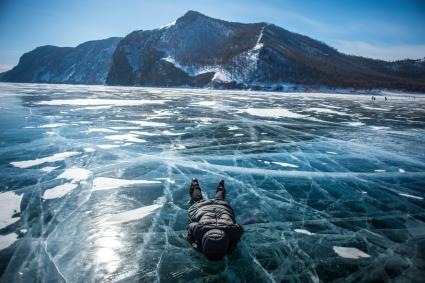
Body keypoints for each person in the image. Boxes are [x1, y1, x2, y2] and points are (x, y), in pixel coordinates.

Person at [187, 178, 244, 261]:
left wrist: (233, 244)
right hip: (202, 208)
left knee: (220, 199)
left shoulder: (232, 231)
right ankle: (195, 184)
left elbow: (240, 229)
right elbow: (190, 226)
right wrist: (195, 242)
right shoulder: (199, 230)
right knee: (197, 199)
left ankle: (221, 185)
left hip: (222, 207)